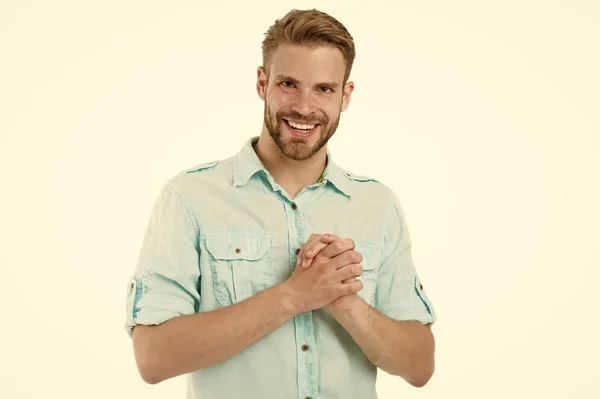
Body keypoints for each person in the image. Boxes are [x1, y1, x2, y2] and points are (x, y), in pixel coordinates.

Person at [124, 8, 437, 398]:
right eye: (289, 84)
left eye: (324, 89)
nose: (304, 107)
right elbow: (153, 358)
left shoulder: (377, 204)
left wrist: (345, 303)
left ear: (346, 95)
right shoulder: (190, 198)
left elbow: (419, 365)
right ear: (261, 82)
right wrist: (295, 295)